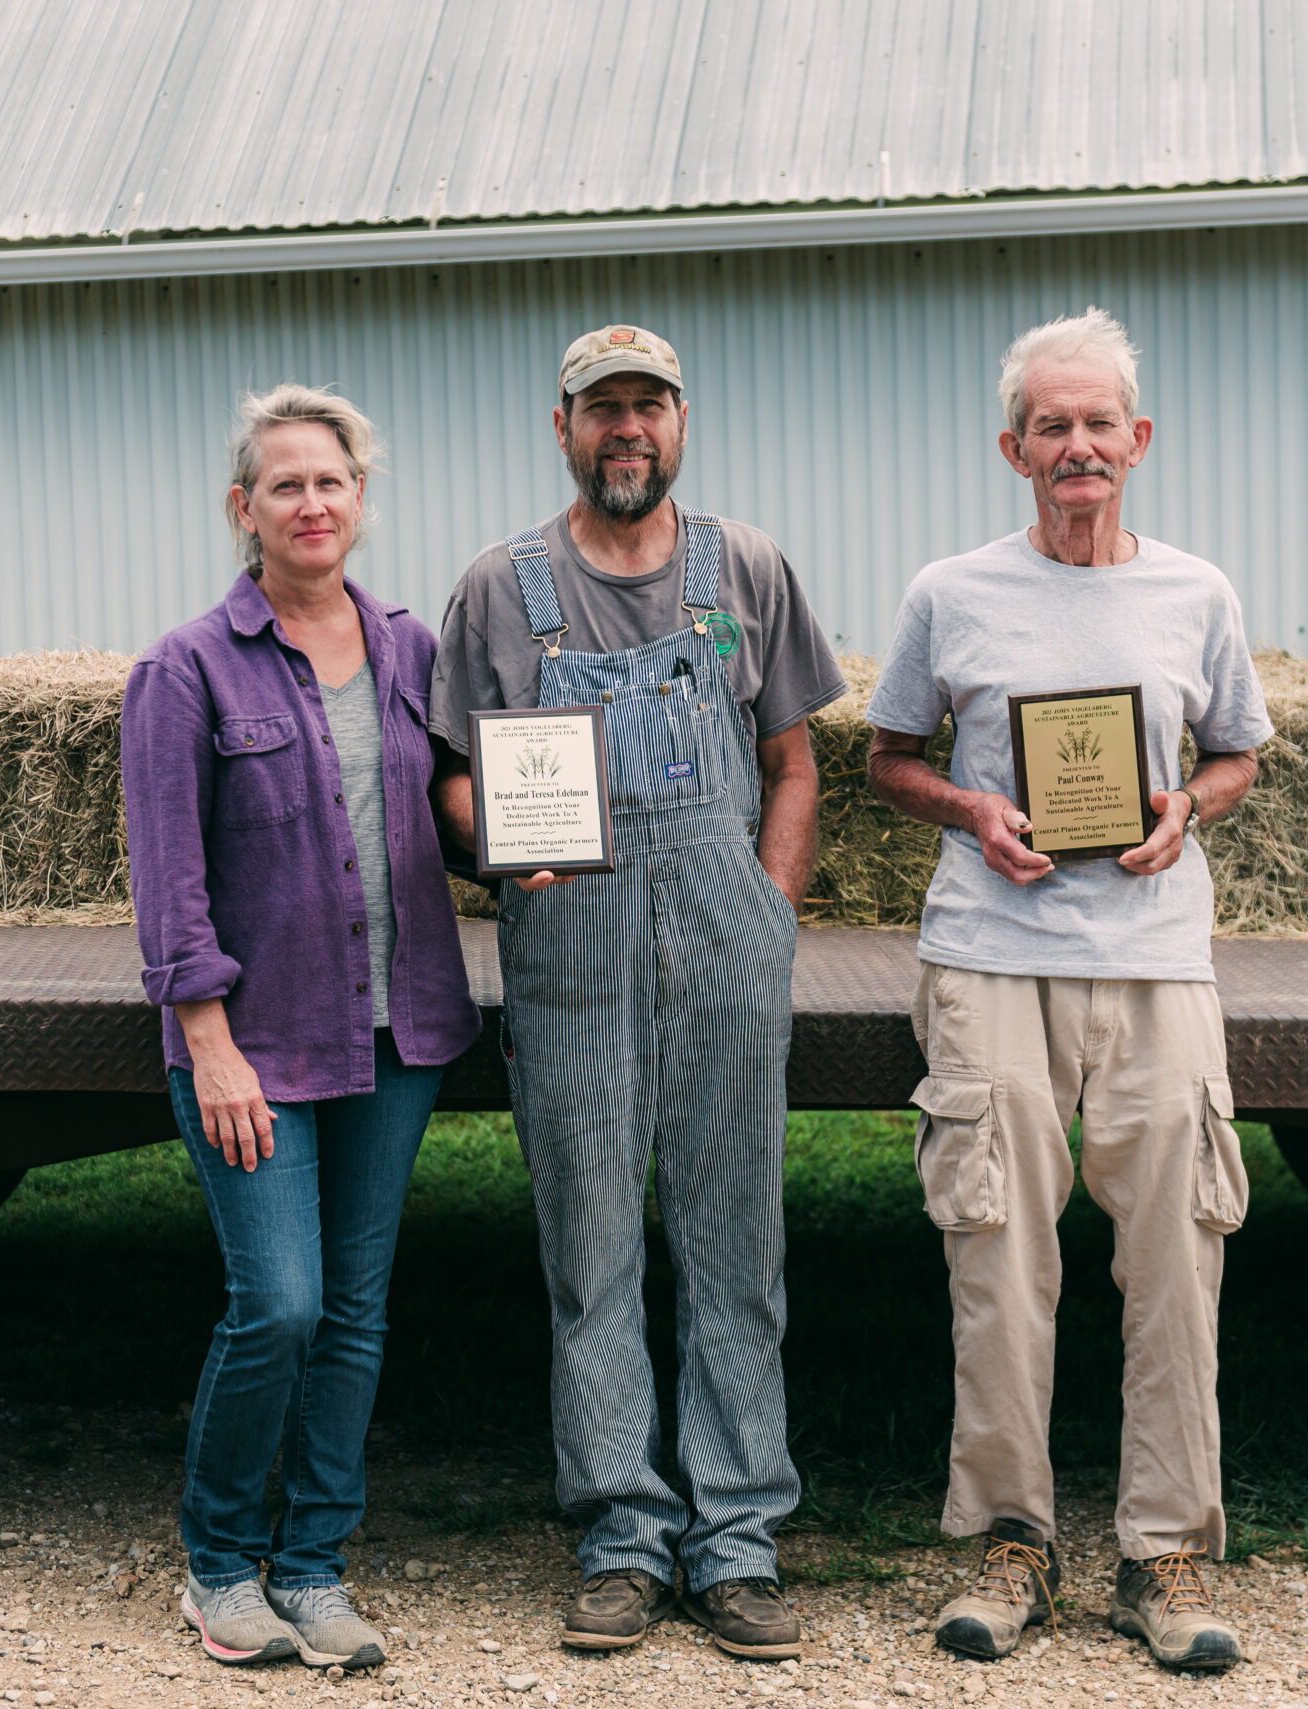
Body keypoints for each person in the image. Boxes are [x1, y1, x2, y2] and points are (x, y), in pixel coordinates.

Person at [427, 326, 845, 1659]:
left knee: (734, 1244)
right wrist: (501, 835)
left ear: (680, 422)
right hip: (572, 949)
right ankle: (620, 1531)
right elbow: (444, 778)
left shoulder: (750, 569)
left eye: (649, 406)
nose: (628, 430)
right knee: (592, 1248)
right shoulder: (502, 588)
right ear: (563, 427)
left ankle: (735, 1541)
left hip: (726, 944)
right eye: (602, 408)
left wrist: (768, 910)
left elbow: (792, 762)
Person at [864, 308, 1272, 1672]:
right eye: (1052, 425)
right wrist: (973, 808)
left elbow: (1238, 755)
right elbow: (887, 756)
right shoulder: (951, 592)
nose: (1077, 446)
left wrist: (1184, 809)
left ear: (1137, 441)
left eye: (1100, 423)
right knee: (998, 1255)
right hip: (990, 957)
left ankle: (1164, 1555)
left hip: (1156, 963)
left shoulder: (1198, 594)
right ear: (1014, 447)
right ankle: (1011, 1540)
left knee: (1173, 1260)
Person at [122, 384, 480, 1670]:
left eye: (331, 481)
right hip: (257, 1042)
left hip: (396, 1032)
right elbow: (167, 878)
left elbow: (446, 808)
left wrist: (524, 848)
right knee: (277, 1301)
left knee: (356, 1312)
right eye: (285, 484)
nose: (311, 503)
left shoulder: (406, 648)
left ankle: (316, 1565)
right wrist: (207, 1039)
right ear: (245, 508)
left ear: (360, 500)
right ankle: (220, 1560)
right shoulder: (185, 666)